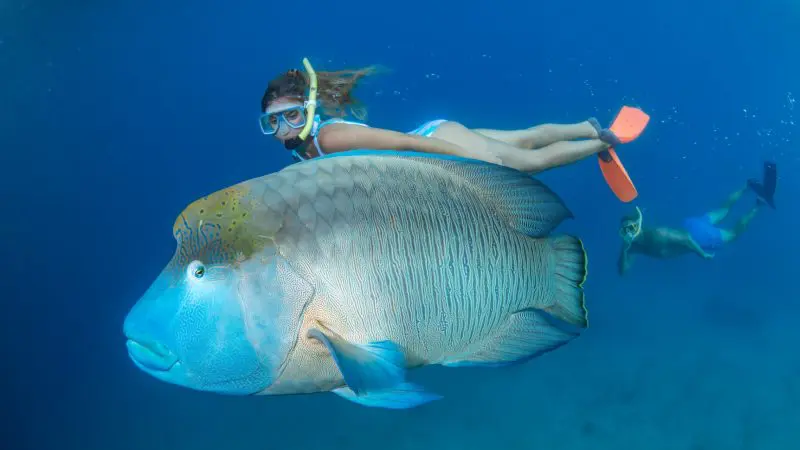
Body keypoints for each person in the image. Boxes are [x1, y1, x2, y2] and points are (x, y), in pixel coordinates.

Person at [258, 62, 646, 174]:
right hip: (436, 133)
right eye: (272, 122)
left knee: (528, 163)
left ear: (309, 111)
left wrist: (463, 160)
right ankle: (586, 126)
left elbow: (406, 144)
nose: (283, 130)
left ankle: (603, 142)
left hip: (434, 143)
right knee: (524, 138)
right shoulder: (306, 151)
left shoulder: (329, 140)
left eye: (290, 116)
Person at [617, 161, 777, 275]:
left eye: (630, 228)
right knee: (722, 210)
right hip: (693, 225)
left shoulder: (658, 234)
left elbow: (686, 239)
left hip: (699, 237)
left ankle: (758, 205)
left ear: (638, 225)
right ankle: (746, 186)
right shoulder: (632, 247)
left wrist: (703, 254)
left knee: (733, 234)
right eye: (625, 231)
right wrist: (624, 251)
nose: (629, 233)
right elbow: (623, 271)